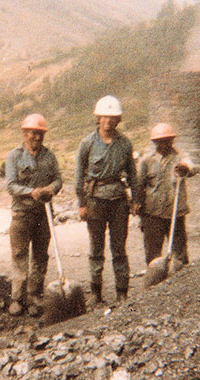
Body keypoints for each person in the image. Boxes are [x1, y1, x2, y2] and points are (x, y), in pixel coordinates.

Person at [75, 95, 139, 303]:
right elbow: (79, 176)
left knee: (119, 248)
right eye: (104, 117)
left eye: (112, 117)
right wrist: (82, 204)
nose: (108, 121)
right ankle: (96, 292)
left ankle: (122, 292)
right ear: (98, 118)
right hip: (95, 200)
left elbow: (132, 174)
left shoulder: (125, 143)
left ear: (118, 120)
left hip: (119, 201)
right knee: (96, 248)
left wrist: (136, 200)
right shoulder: (87, 143)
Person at [5, 113, 63, 316]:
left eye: (40, 133)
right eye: (33, 133)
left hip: (43, 214)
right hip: (22, 214)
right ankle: (17, 298)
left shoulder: (49, 156)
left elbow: (58, 179)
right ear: (24, 133)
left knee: (40, 255)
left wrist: (51, 189)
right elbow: (11, 185)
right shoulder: (14, 156)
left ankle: (34, 296)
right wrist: (31, 192)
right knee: (19, 255)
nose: (37, 137)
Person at [136, 122, 197, 267]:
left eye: (167, 140)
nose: (164, 144)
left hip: (175, 212)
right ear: (154, 142)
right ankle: (155, 277)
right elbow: (138, 185)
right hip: (152, 213)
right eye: (160, 141)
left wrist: (185, 168)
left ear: (172, 140)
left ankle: (180, 275)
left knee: (179, 251)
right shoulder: (146, 160)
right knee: (152, 253)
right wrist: (137, 204)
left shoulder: (180, 157)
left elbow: (192, 167)